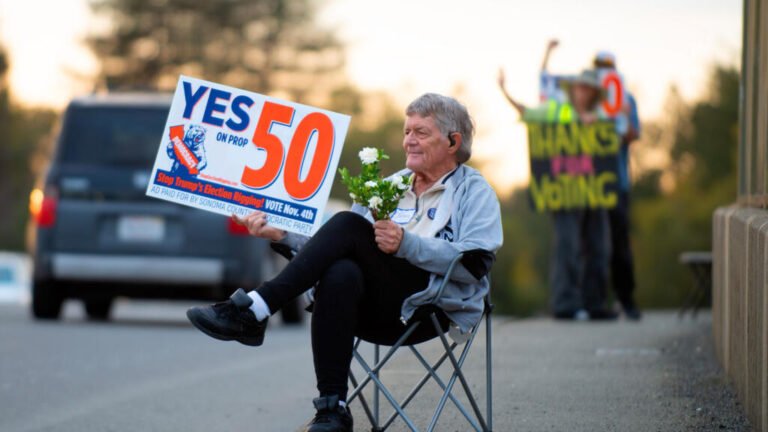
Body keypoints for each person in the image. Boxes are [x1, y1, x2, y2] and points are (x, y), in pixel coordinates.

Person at [186, 93, 503, 432]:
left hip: (431, 308)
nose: (409, 140)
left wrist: (406, 245)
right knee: (340, 270)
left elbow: (475, 264)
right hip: (373, 309)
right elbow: (336, 245)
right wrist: (281, 236)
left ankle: (256, 309)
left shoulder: (474, 191)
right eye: (407, 130)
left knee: (349, 224)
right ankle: (332, 409)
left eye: (421, 132)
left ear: (453, 141)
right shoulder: (391, 185)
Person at [498, 68, 616, 321]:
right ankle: (565, 304)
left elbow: (614, 139)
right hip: (563, 194)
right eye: (580, 87)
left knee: (599, 246)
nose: (583, 92)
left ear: (594, 93)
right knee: (568, 245)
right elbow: (527, 113)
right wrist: (504, 91)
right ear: (573, 90)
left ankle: (595, 303)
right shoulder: (556, 110)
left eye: (588, 89)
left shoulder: (601, 115)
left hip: (594, 192)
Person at [593, 51, 642, 320]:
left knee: (620, 244)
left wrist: (618, 120)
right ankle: (597, 303)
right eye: (599, 67)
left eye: (607, 67)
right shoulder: (586, 100)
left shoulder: (627, 99)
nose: (603, 72)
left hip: (617, 183)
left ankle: (627, 300)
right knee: (595, 246)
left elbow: (634, 134)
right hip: (587, 186)